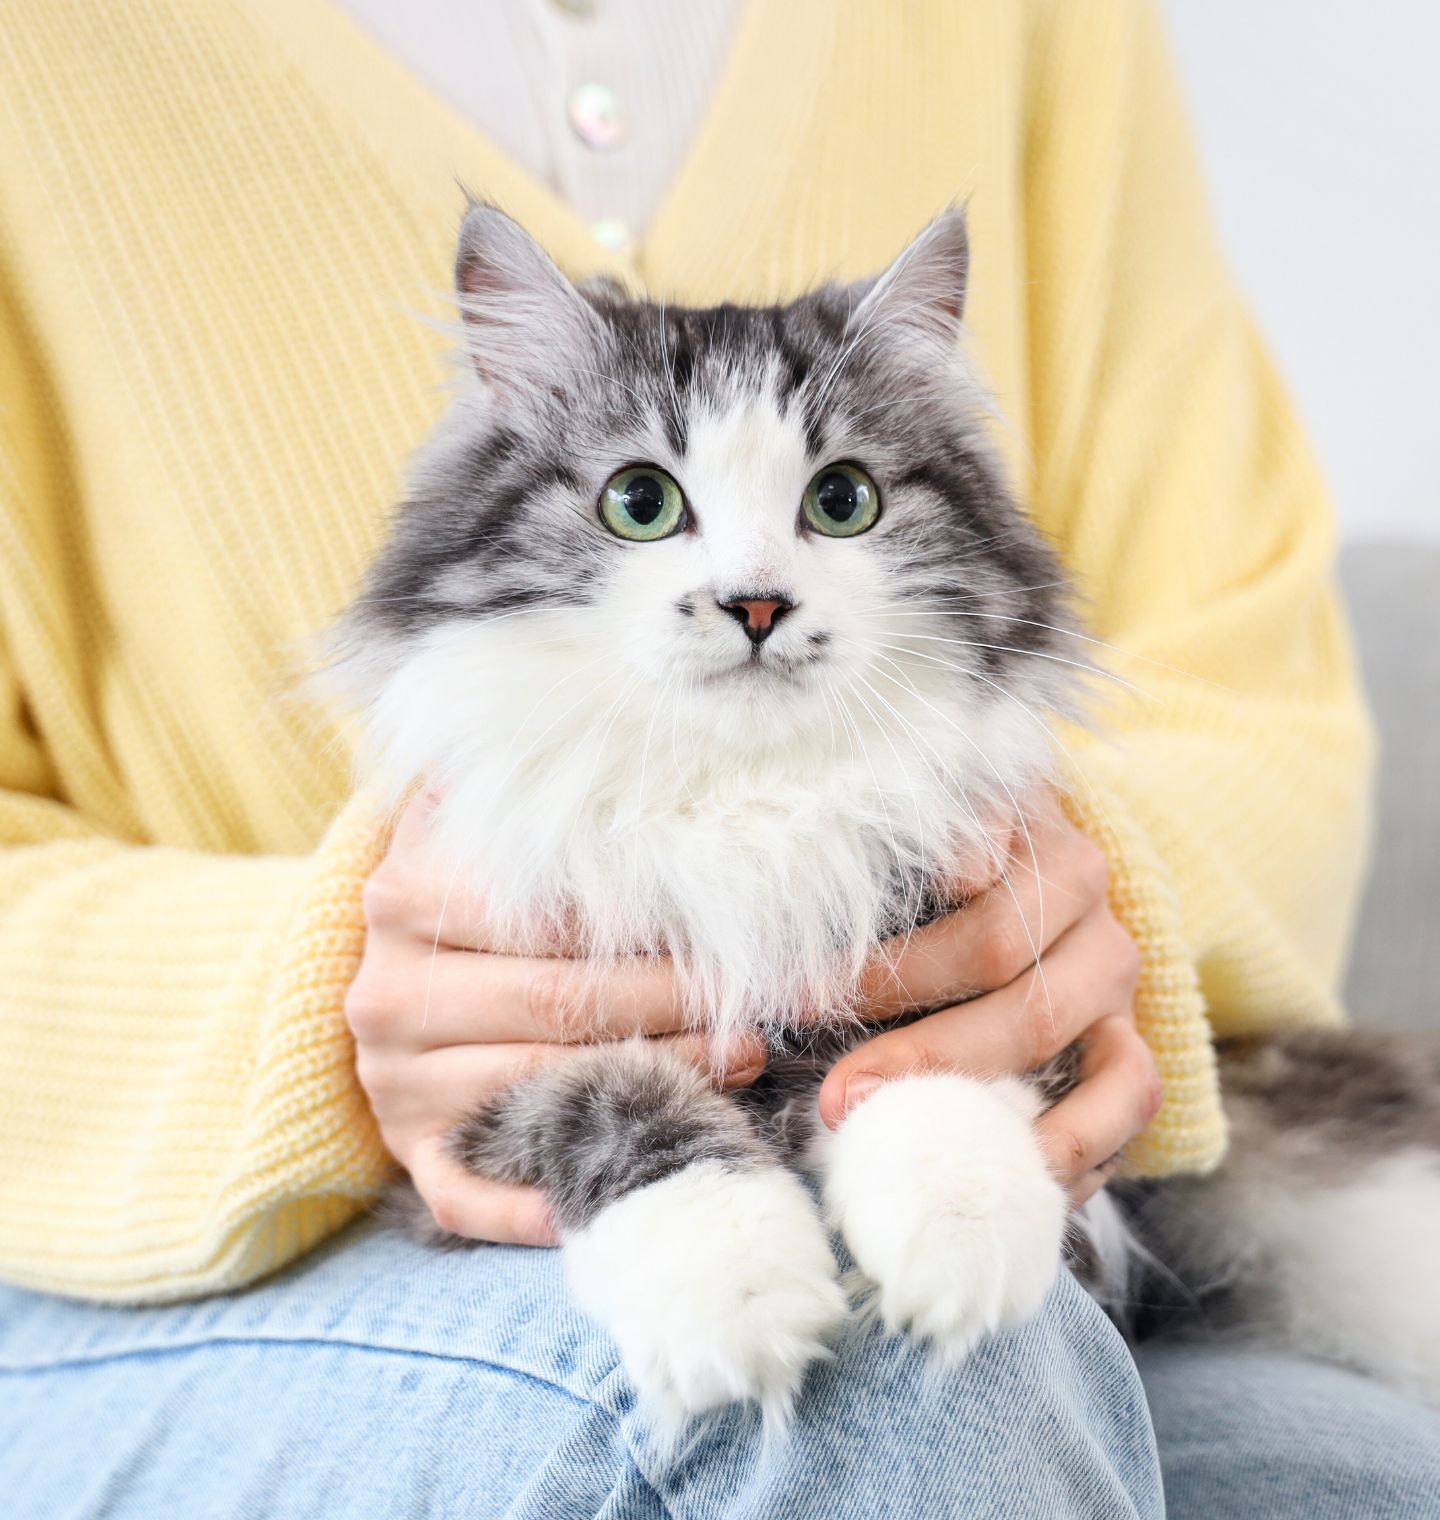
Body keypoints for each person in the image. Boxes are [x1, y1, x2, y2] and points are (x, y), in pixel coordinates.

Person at [0, 1, 1434, 1515]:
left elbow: (1258, 700)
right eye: (642, 507)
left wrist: (1048, 935)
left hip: (1104, 1178)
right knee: (880, 1391)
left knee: (1344, 1484)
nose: (752, 589)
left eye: (834, 506)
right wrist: (326, 998)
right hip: (143, 1249)